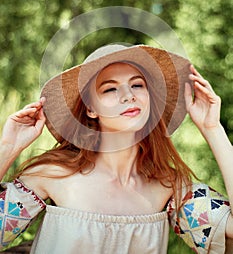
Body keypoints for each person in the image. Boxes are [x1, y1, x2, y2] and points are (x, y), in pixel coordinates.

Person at [0, 44, 233, 254]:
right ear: (90, 108)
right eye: (110, 89)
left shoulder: (168, 187)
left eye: (137, 85)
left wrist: (212, 129)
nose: (128, 96)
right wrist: (7, 148)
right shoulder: (51, 174)